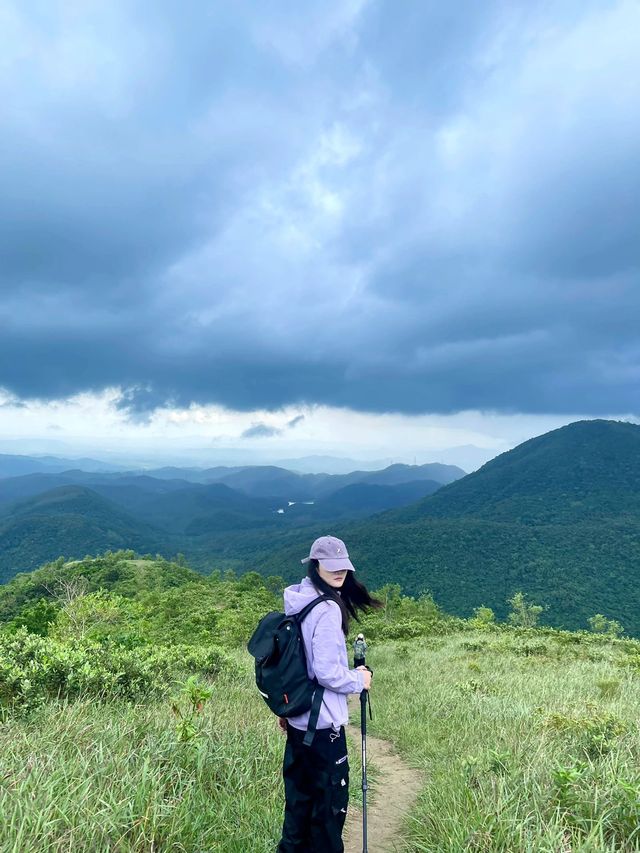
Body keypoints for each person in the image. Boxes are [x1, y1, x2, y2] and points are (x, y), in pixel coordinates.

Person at [277, 535, 382, 853]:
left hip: (298, 724)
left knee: (298, 813)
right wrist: (358, 680)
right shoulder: (326, 609)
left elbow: (298, 663)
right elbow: (326, 673)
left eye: (343, 567)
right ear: (315, 564)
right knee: (326, 818)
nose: (340, 573)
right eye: (331, 566)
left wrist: (288, 711)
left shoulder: (300, 598)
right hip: (323, 732)